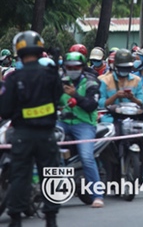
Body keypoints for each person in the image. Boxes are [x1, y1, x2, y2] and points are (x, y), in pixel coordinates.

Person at [0, 31, 62, 227]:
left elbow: (5, 110)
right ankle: (51, 218)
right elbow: (58, 99)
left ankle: (16, 219)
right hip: (47, 135)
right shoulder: (51, 75)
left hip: (22, 135)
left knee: (20, 177)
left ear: (18, 51)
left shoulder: (13, 78)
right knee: (50, 175)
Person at [98, 49, 143, 198]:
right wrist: (116, 96)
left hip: (132, 118)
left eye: (127, 68)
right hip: (111, 118)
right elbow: (100, 102)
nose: (124, 71)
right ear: (116, 67)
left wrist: (132, 98)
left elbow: (142, 101)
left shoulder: (136, 80)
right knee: (101, 145)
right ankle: (98, 182)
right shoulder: (104, 80)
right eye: (121, 68)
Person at [58, 51, 104, 208]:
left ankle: (97, 195)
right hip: (62, 122)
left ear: (82, 67)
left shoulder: (91, 83)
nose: (72, 69)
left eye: (76, 66)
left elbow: (92, 105)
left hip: (84, 124)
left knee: (86, 157)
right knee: (46, 148)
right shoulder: (60, 82)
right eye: (69, 67)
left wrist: (75, 95)